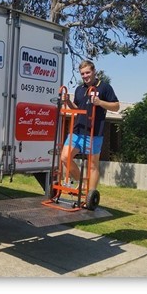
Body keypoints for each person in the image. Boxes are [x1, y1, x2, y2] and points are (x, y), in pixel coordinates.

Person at [60, 60, 120, 194]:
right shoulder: (79, 89)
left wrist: (100, 102)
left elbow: (116, 106)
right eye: (82, 74)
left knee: (92, 165)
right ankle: (82, 183)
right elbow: (76, 108)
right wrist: (68, 101)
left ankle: (90, 195)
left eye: (88, 72)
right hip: (77, 130)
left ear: (94, 72)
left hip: (94, 132)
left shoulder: (104, 87)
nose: (85, 76)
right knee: (65, 157)